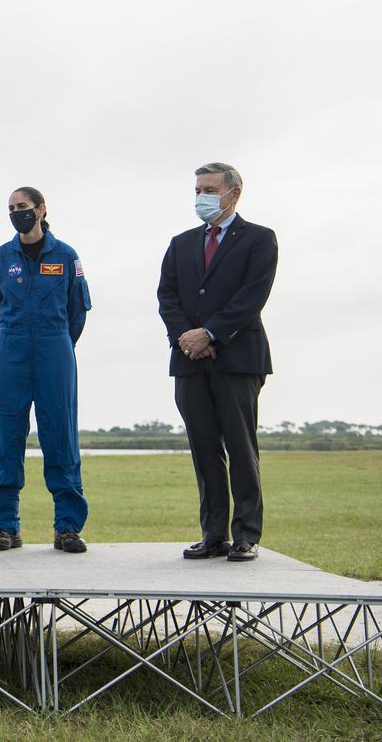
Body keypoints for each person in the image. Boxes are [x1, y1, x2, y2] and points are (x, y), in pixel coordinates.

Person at [157, 163, 277, 563]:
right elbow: (167, 297)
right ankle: (213, 534)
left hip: (238, 358)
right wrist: (187, 337)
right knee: (204, 449)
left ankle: (246, 534)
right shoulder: (180, 243)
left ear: (233, 194)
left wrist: (209, 333)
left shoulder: (259, 240)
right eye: (196, 190)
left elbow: (251, 297)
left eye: (208, 189)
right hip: (189, 361)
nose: (200, 198)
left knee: (241, 449)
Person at [0, 187, 92, 554]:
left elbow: (78, 310)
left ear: (42, 210)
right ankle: (4, 527)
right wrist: (13, 339)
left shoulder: (66, 256)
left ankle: (67, 528)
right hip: (11, 348)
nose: (17, 213)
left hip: (54, 346)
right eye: (11, 208)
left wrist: (57, 340)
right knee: (5, 434)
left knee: (60, 434)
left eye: (23, 207)